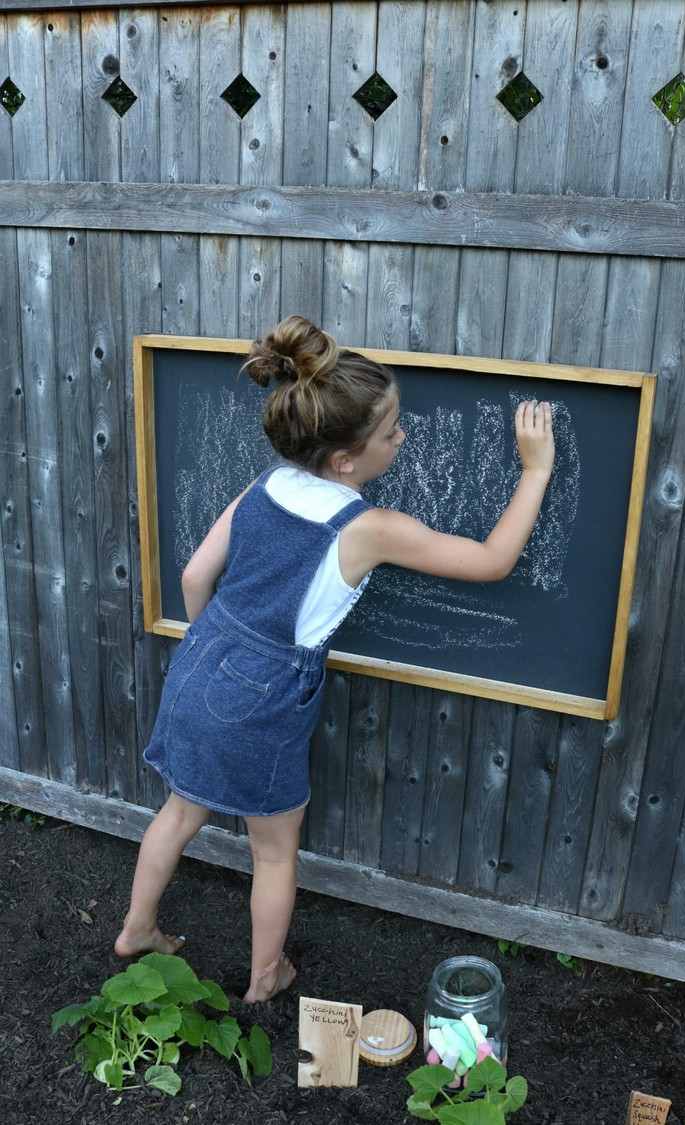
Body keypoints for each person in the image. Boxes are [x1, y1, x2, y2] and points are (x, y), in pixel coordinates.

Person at [115, 315, 555, 1003]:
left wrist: (215, 652)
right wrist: (535, 470)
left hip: (203, 657)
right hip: (263, 690)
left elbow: (197, 577)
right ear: (346, 460)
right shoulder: (369, 528)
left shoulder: (262, 486)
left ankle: (137, 927)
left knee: (178, 811)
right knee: (273, 849)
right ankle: (267, 976)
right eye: (390, 432)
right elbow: (494, 561)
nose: (402, 438)